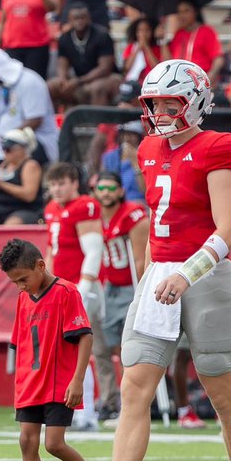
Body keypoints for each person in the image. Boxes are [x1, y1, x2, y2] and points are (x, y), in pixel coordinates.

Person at [63, 60, 231, 461]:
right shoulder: (149, 148)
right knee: (134, 388)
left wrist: (187, 274)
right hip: (161, 274)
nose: (160, 111)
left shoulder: (218, 146)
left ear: (195, 101)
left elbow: (230, 229)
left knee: (221, 393)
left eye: (170, 102)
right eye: (154, 103)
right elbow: (157, 223)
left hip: (207, 275)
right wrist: (152, 274)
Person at [0, 238, 108, 461]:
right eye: (14, 282)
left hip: (58, 383)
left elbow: (85, 336)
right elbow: (21, 344)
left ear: (41, 266)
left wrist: (77, 379)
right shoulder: (23, 298)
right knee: (26, 441)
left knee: (54, 444)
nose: (20, 286)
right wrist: (19, 383)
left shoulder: (66, 292)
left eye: (23, 279)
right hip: (29, 383)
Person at [43, 163, 106, 431]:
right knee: (61, 352)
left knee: (81, 350)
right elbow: (51, 250)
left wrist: (85, 285)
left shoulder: (84, 206)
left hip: (80, 288)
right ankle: (70, 412)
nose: (57, 189)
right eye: (53, 184)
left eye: (62, 183)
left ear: (74, 183)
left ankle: (88, 414)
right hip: (60, 288)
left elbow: (94, 250)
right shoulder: (51, 210)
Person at [95, 171, 148, 421]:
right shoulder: (93, 216)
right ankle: (109, 400)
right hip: (107, 287)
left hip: (129, 287)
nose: (105, 193)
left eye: (110, 188)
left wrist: (142, 293)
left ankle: (132, 401)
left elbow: (140, 259)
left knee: (128, 346)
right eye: (101, 188)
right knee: (102, 346)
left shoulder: (132, 214)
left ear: (120, 190)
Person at [0, 47, 60, 161]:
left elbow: (35, 121)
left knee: (14, 150)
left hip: (35, 140)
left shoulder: (30, 81)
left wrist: (9, 139)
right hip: (2, 143)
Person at [48, 3, 121, 109]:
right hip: (80, 79)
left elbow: (105, 68)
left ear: (89, 18)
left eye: (83, 18)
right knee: (51, 85)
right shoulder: (65, 38)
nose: (80, 21)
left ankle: (99, 123)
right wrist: (62, 80)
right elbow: (62, 64)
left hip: (108, 77)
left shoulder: (102, 35)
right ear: (69, 20)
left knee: (97, 88)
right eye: (76, 18)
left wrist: (79, 81)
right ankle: (55, 122)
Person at [0, 0, 59, 79]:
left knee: (35, 81)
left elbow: (53, 7)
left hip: (37, 46)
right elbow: (2, 20)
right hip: (12, 45)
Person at [0, 128, 44, 225]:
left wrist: (2, 184)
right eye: (3, 149)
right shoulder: (3, 165)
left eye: (8, 149)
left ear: (21, 149)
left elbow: (29, 195)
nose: (5, 153)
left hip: (22, 210)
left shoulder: (30, 165)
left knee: (11, 226)